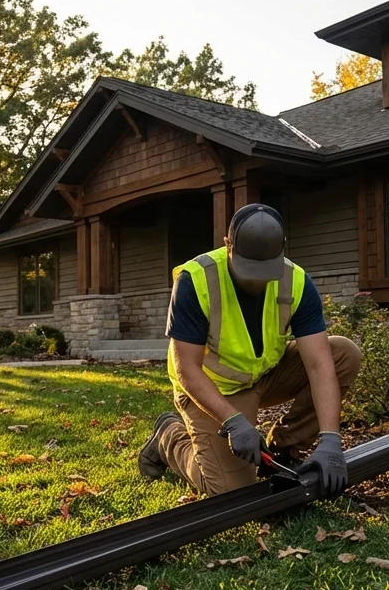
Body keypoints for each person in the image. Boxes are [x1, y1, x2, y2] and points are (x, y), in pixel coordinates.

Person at [139, 203, 361, 497]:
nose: (255, 281)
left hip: (265, 376)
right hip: (212, 389)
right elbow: (187, 370)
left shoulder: (296, 281)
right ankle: (169, 437)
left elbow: (320, 365)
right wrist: (233, 421)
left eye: (264, 270)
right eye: (248, 270)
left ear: (282, 250)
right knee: (230, 489)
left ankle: (284, 449)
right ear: (227, 245)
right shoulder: (196, 280)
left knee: (343, 353)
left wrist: (331, 440)